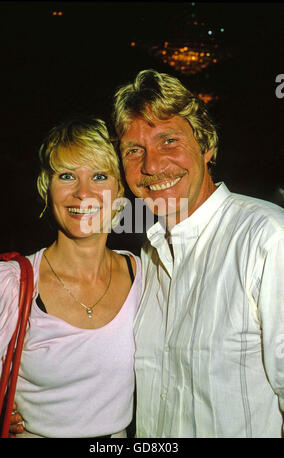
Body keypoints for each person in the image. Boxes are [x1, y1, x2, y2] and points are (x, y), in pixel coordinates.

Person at [112, 69, 284, 438]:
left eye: (169, 141)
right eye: (134, 150)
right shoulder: (149, 253)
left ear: (206, 146)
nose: (152, 166)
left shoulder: (267, 237)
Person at [0, 117, 141, 438]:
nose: (82, 192)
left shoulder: (143, 274)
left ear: (119, 192)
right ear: (48, 188)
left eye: (99, 176)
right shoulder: (8, 284)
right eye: (67, 176)